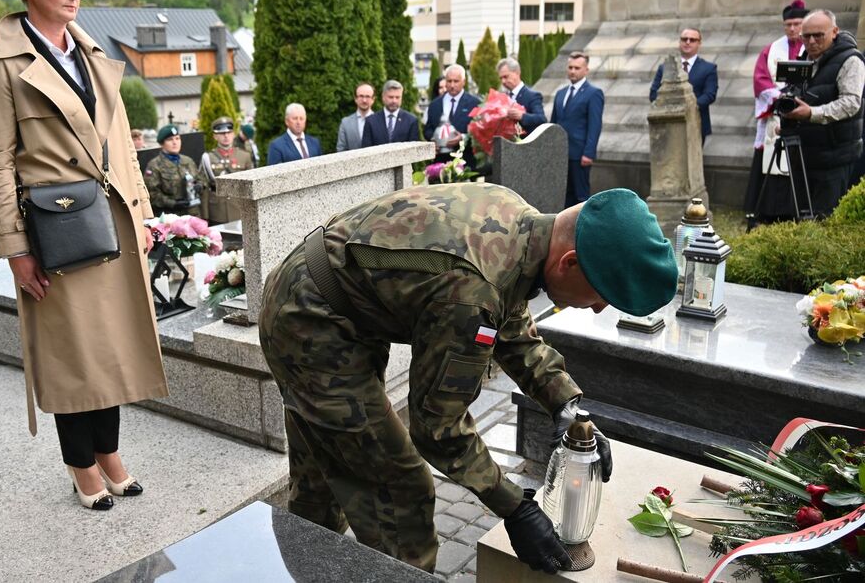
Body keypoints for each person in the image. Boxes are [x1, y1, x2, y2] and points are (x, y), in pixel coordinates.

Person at [260, 183, 677, 574]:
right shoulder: (471, 291)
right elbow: (438, 428)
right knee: (399, 491)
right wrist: (515, 508)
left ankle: (303, 566)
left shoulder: (518, 225)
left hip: (322, 299)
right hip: (311, 323)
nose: (600, 308)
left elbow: (512, 330)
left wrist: (566, 406)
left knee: (328, 466)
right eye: (602, 295)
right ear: (569, 263)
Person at [0, 0, 168, 511]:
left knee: (109, 347)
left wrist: (145, 213)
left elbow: (124, 148)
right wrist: (15, 247)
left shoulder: (92, 52)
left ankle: (109, 452)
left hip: (111, 222)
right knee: (71, 351)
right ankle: (81, 464)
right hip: (54, 229)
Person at [779, 9, 864, 216]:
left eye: (818, 35)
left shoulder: (850, 60)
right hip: (804, 153)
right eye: (806, 36)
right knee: (800, 217)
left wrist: (811, 113)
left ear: (834, 31)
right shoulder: (803, 59)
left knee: (825, 219)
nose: (812, 41)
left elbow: (851, 103)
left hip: (834, 156)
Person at [743, 0, 808, 224]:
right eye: (788, 24)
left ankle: (796, 212)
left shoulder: (812, 48)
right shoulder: (771, 50)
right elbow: (760, 80)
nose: (792, 29)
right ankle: (768, 212)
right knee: (770, 163)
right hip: (775, 116)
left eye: (797, 24)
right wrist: (780, 98)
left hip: (804, 114)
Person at [551, 53, 605, 208]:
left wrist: (588, 152)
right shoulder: (561, 94)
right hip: (561, 153)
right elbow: (554, 123)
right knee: (564, 194)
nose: (573, 71)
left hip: (580, 154)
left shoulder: (593, 93)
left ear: (586, 70)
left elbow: (595, 125)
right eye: (570, 67)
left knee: (581, 196)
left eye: (577, 68)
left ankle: (582, 229)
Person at [649, 28, 718, 144]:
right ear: (679, 42)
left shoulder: (709, 68)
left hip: (696, 123)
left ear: (699, 43)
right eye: (684, 39)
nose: (688, 42)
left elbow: (710, 95)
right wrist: (672, 108)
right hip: (668, 123)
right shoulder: (665, 67)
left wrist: (687, 107)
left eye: (692, 40)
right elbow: (653, 93)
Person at [423, 64, 480, 167]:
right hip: (440, 163)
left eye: (456, 81)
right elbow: (428, 129)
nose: (452, 85)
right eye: (449, 81)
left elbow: (480, 131)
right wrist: (433, 139)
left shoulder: (474, 103)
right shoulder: (435, 104)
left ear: (464, 82)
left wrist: (463, 138)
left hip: (465, 162)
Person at [200, 116, 254, 224]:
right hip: (217, 211)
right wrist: (205, 216)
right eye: (221, 133)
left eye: (229, 132)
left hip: (240, 210)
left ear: (233, 134)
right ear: (215, 136)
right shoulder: (208, 158)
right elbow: (204, 188)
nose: (226, 136)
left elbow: (251, 186)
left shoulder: (245, 156)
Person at [144, 124, 205, 216]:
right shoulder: (154, 165)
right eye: (170, 139)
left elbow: (201, 179)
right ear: (162, 143)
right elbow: (152, 194)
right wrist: (172, 203)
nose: (175, 142)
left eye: (177, 138)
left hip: (193, 214)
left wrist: (199, 186)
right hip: (171, 217)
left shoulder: (188, 161)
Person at [361, 80, 420, 147]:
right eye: (391, 97)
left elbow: (414, 150)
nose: (394, 101)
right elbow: (366, 149)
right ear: (383, 97)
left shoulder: (411, 121)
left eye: (397, 97)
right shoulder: (371, 121)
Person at [497, 57, 546, 137]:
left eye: (506, 77)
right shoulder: (503, 97)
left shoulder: (532, 95)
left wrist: (522, 116)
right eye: (501, 78)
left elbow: (541, 119)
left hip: (527, 144)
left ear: (517, 73)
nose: (503, 81)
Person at [336, 83, 374, 152]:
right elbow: (341, 150)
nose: (364, 100)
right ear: (355, 98)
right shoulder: (345, 123)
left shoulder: (380, 122)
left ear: (373, 99)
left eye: (367, 96)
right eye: (361, 96)